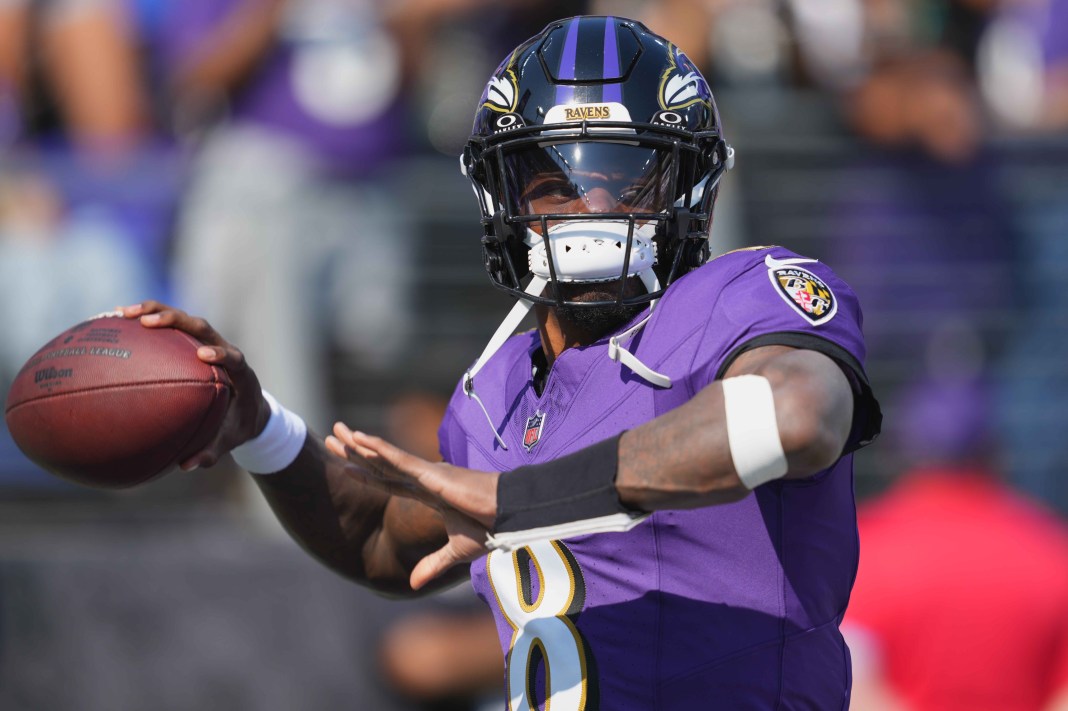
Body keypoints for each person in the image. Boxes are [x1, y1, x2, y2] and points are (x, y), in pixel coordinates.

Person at [120, 16, 881, 708]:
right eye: (554, 182)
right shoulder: (497, 389)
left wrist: (516, 499)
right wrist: (259, 426)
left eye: (625, 178)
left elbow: (795, 414)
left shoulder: (739, 298)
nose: (590, 208)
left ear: (694, 191)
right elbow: (386, 539)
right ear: (501, 196)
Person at [844, 377, 1068, 711]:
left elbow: (852, 684)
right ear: (995, 453)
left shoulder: (861, 547)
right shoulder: (1052, 548)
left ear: (898, 453)